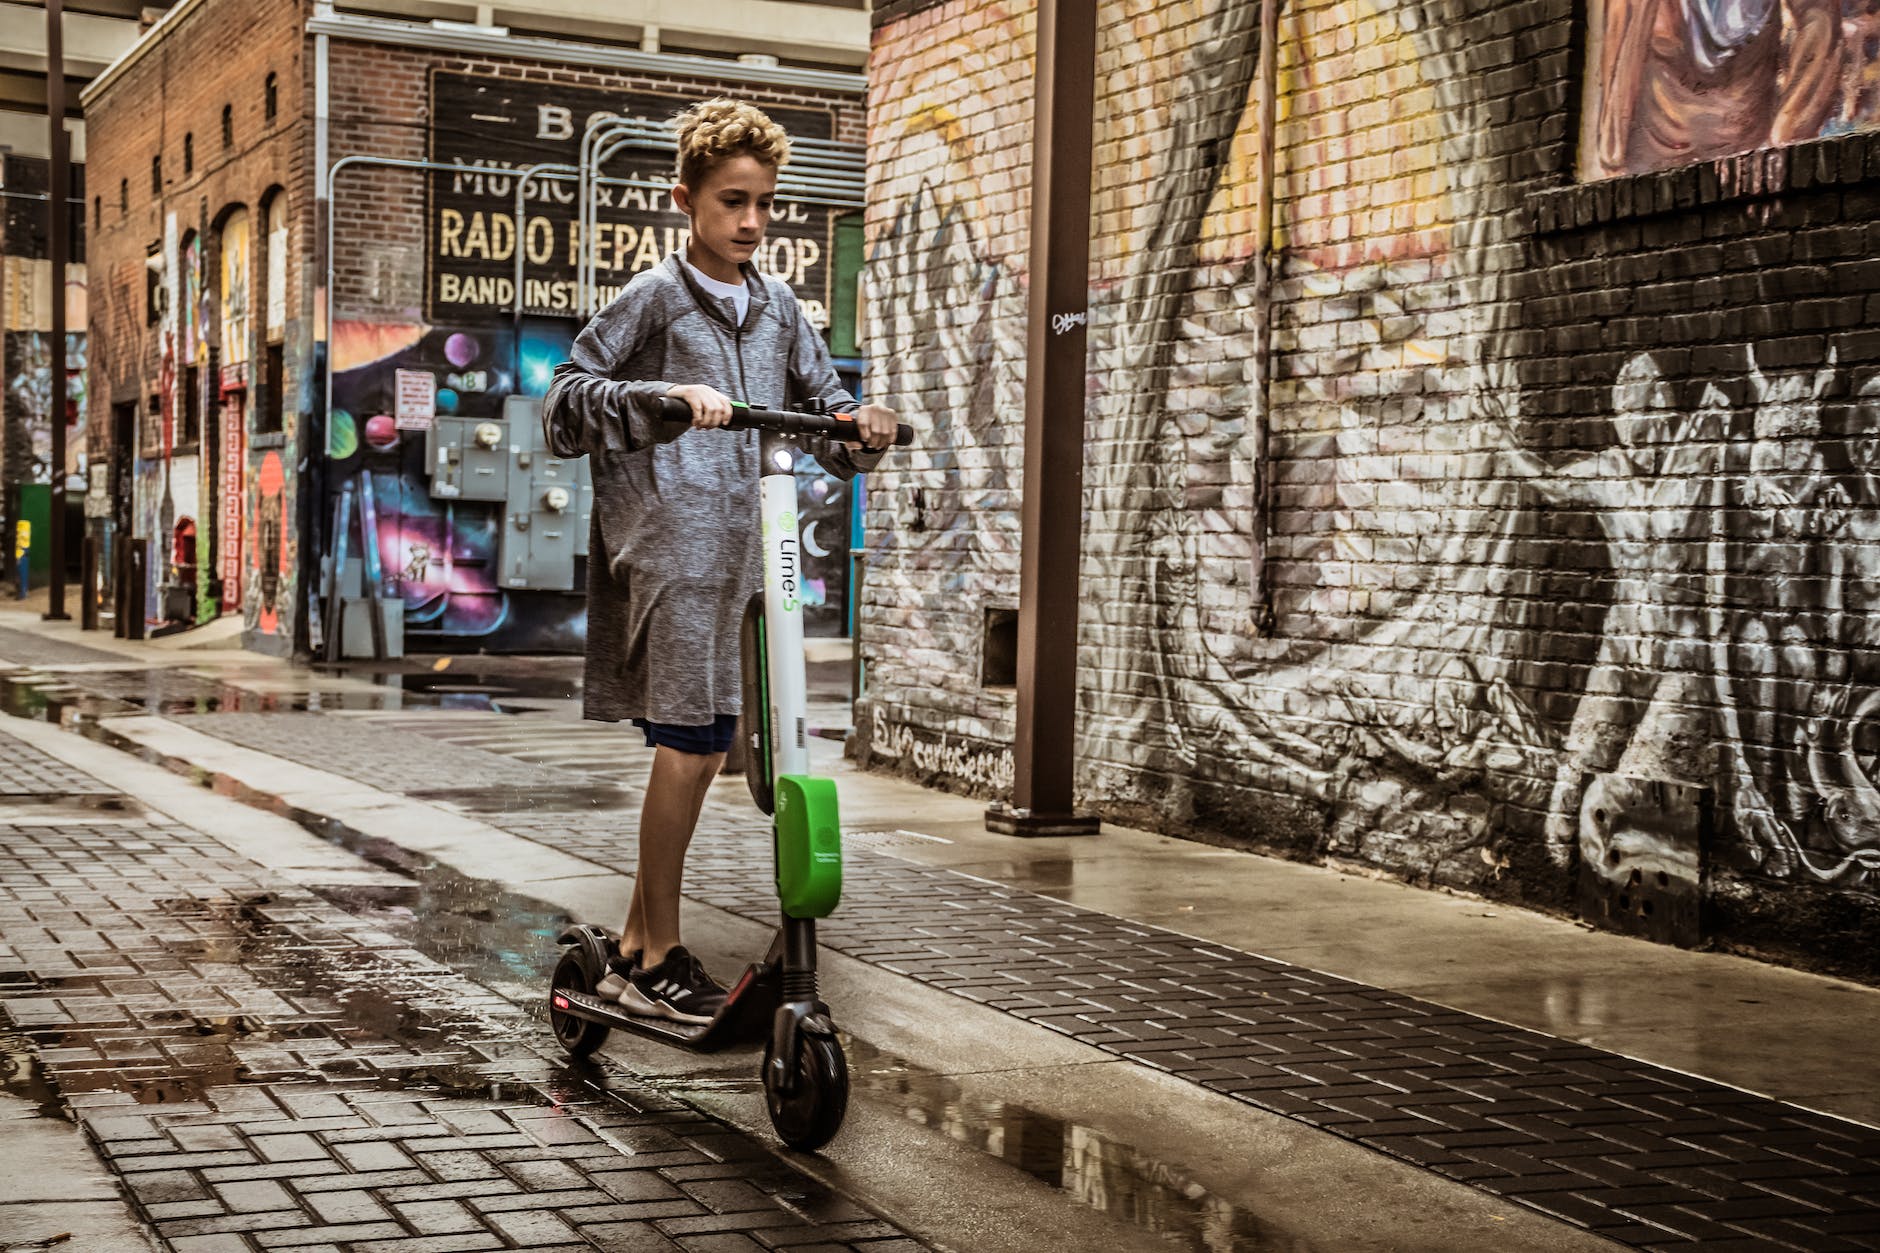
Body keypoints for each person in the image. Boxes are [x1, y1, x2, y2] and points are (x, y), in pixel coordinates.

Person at [542, 99, 897, 1025]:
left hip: (750, 551)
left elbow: (824, 412)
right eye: (732, 201)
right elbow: (566, 401)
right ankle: (659, 957)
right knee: (689, 745)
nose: (751, 221)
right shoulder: (655, 296)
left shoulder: (779, 308)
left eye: (764, 203)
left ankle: (630, 948)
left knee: (715, 749)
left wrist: (861, 426)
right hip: (670, 543)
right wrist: (664, 396)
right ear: (686, 200)